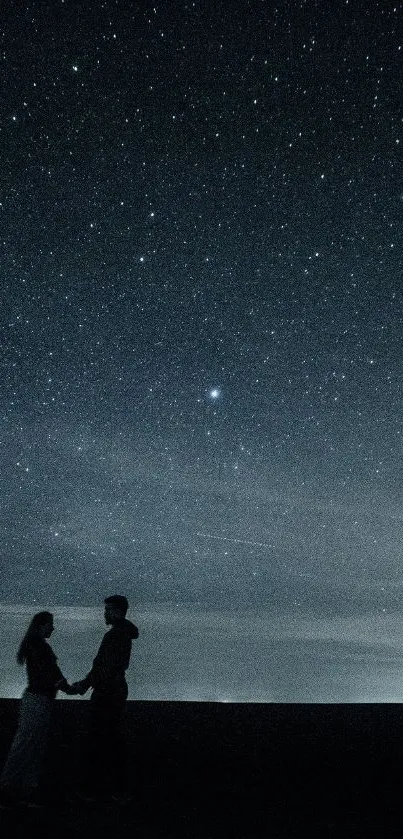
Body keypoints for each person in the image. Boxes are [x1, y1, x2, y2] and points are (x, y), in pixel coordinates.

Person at [0, 611, 78, 807]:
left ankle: (20, 790)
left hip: (38, 700)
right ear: (41, 625)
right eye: (50, 624)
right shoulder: (39, 647)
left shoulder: (35, 646)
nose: (53, 627)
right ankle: (9, 789)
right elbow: (51, 674)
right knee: (27, 745)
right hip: (38, 701)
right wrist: (69, 689)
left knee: (31, 746)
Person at [71, 595, 139, 802]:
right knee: (112, 738)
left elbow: (103, 666)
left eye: (108, 609)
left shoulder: (114, 636)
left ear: (118, 611)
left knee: (99, 738)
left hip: (107, 692)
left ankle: (94, 790)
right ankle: (115, 789)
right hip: (115, 690)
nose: (105, 613)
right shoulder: (124, 634)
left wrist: (84, 684)